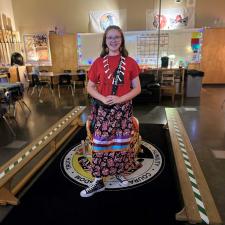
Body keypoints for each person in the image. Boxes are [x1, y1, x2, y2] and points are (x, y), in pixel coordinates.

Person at [80, 25, 141, 197]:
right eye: (109, 38)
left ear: (121, 41)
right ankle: (98, 181)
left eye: (116, 37)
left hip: (123, 110)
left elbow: (137, 88)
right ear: (105, 42)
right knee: (100, 144)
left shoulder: (130, 63)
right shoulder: (98, 63)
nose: (113, 40)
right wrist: (101, 97)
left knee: (122, 143)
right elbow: (90, 87)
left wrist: (121, 99)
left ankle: (119, 172)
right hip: (104, 110)